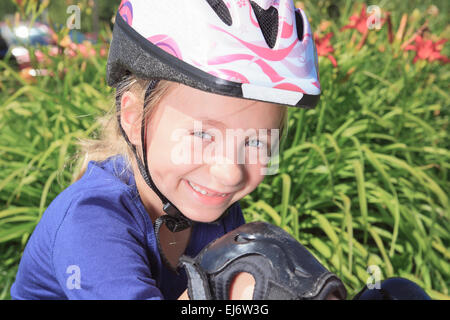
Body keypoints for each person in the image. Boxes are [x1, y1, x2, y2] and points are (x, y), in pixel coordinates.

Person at [11, 0, 322, 299]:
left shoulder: (209, 203)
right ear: (133, 119)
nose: (229, 173)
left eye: (256, 142)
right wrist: (221, 290)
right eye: (202, 134)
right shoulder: (90, 223)